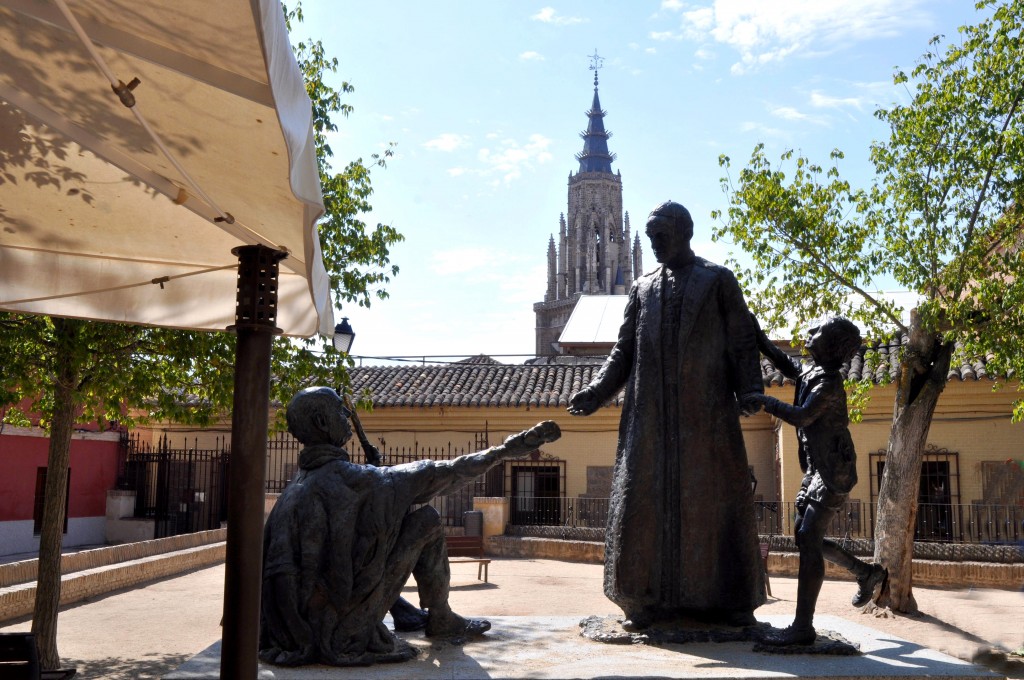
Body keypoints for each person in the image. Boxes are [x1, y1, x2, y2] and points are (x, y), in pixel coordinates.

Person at [569, 200, 766, 631]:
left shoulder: (718, 281)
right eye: (651, 236)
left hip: (706, 412)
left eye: (661, 236)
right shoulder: (641, 289)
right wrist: (597, 391)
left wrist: (750, 387)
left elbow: (742, 339)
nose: (654, 244)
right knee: (643, 501)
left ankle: (728, 600)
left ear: (684, 233)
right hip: (651, 416)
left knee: (714, 501)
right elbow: (624, 350)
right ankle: (644, 599)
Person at [259, 386, 561, 666]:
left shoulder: (298, 486)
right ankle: (440, 616)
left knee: (382, 533)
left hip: (296, 625)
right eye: (341, 410)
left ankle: (404, 612)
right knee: (425, 521)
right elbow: (446, 472)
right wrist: (505, 451)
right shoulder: (351, 479)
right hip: (336, 626)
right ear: (322, 422)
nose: (348, 415)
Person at [751, 316, 887, 645]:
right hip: (815, 469)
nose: (809, 334)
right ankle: (865, 573)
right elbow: (784, 361)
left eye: (817, 332)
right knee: (804, 538)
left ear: (832, 346)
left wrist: (763, 400)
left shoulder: (830, 383)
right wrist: (759, 337)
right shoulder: (811, 372)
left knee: (809, 540)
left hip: (833, 472)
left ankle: (802, 627)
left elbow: (802, 416)